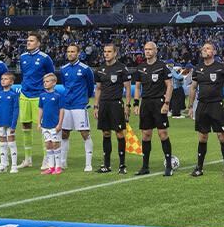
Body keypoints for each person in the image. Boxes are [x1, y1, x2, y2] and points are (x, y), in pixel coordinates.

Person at [187, 42, 224, 178]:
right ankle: (199, 168)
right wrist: (190, 106)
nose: (205, 50)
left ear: (214, 52)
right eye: (203, 49)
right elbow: (193, 88)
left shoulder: (220, 68)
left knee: (221, 135)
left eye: (208, 48)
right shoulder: (198, 68)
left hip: (216, 105)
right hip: (202, 105)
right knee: (202, 136)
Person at [133, 41, 174, 176]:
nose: (147, 51)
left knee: (162, 134)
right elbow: (138, 87)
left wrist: (166, 103)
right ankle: (145, 166)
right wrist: (136, 104)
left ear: (156, 51)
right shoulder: (140, 68)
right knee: (145, 135)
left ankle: (169, 166)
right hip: (146, 103)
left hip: (159, 102)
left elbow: (169, 85)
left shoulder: (162, 67)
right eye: (145, 49)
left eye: (150, 49)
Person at [93, 43, 133, 174]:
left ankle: (122, 165)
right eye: (105, 51)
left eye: (109, 51)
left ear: (115, 53)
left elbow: (127, 89)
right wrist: (95, 106)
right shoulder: (100, 69)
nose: (106, 54)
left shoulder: (121, 68)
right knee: (105, 133)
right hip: (104, 104)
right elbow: (98, 89)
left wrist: (127, 106)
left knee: (119, 133)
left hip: (116, 104)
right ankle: (106, 165)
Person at [17, 33, 55, 168]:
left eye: (31, 41)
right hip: (25, 95)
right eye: (27, 41)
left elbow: (51, 76)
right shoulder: (23, 57)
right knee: (25, 126)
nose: (28, 43)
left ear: (38, 43)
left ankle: (46, 159)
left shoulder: (45, 58)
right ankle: (28, 160)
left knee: (44, 128)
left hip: (39, 96)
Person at [57, 43, 95, 171]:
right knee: (64, 133)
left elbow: (90, 85)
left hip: (79, 105)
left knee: (84, 133)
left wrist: (87, 97)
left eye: (73, 52)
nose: (70, 54)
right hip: (66, 104)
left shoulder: (85, 69)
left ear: (79, 53)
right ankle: (63, 162)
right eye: (68, 52)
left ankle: (88, 164)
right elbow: (64, 84)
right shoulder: (64, 69)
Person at [0, 72, 20, 174]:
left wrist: (13, 125)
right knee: (2, 145)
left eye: (5, 79)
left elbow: (16, 110)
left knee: (12, 144)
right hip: (0, 123)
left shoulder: (13, 95)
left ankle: (14, 166)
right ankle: (3, 165)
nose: (3, 81)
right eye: (2, 79)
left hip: (9, 124)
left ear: (12, 82)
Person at [37, 73, 64, 174]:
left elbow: (61, 110)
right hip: (45, 125)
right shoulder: (42, 96)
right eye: (44, 82)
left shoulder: (58, 95)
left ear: (54, 83)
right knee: (48, 145)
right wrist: (39, 123)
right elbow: (40, 109)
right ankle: (51, 167)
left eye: (47, 81)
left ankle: (58, 167)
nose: (45, 83)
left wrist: (59, 124)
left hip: (54, 125)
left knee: (55, 144)